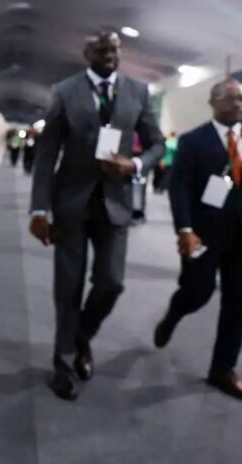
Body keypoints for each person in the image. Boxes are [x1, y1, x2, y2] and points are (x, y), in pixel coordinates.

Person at [29, 29, 165, 401]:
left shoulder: (137, 92)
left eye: (115, 49)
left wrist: (135, 164)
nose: (109, 55)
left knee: (112, 283)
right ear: (87, 53)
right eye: (102, 49)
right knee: (68, 288)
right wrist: (40, 208)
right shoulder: (65, 91)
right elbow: (46, 156)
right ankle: (63, 365)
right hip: (71, 204)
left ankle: (81, 337)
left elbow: (157, 144)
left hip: (115, 204)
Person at [153, 78, 242, 400]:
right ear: (213, 102)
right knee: (198, 292)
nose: (238, 104)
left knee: (238, 299)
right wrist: (185, 230)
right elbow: (180, 188)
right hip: (204, 233)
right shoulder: (194, 141)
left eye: (241, 99)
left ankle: (223, 369)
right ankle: (174, 314)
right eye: (231, 98)